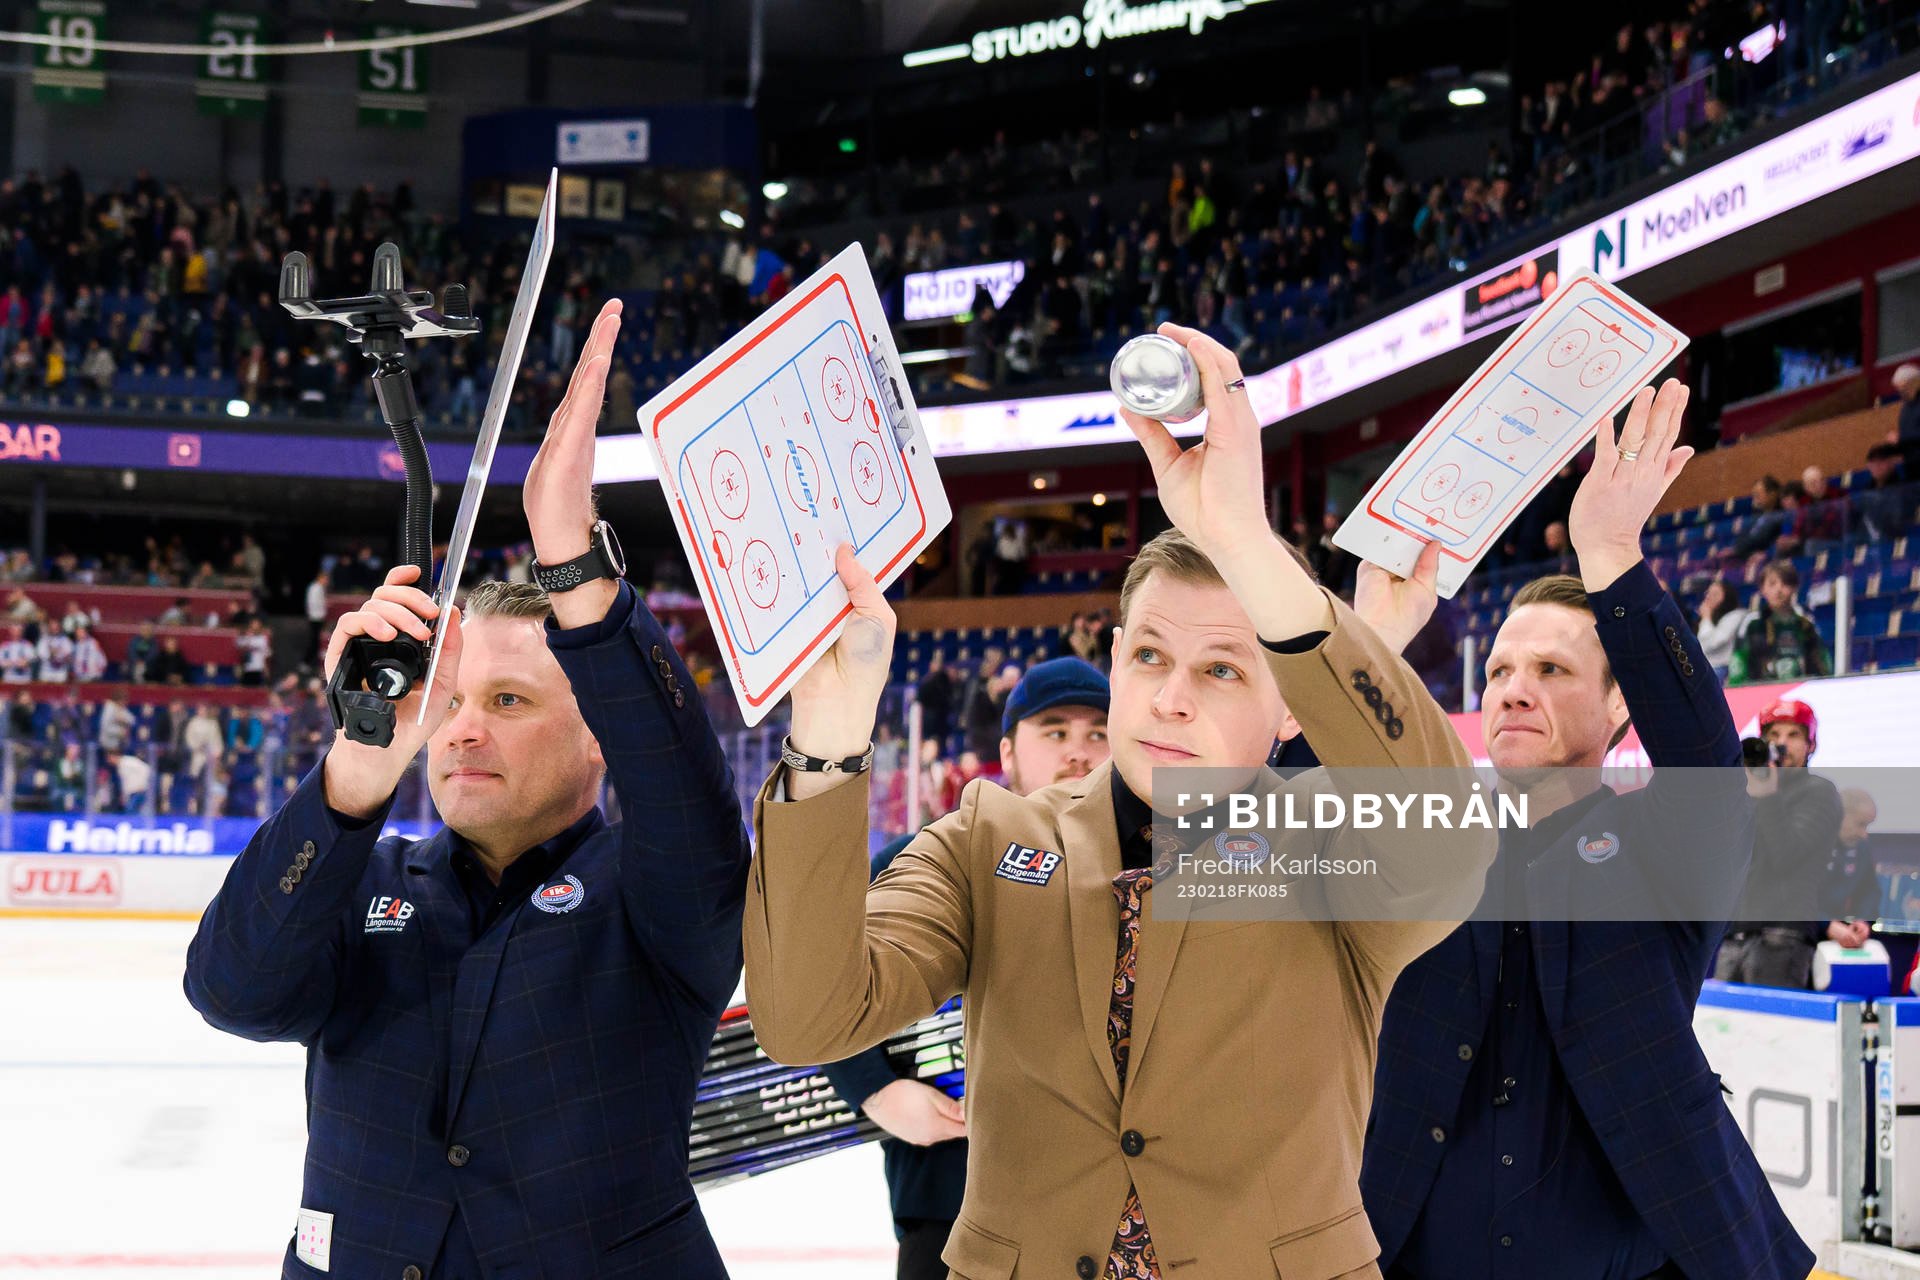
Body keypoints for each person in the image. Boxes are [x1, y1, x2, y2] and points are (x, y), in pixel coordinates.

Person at [743, 324, 1493, 1276]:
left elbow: (1444, 844)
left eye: (1223, 669)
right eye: (1149, 655)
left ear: (1289, 710)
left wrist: (1245, 543)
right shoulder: (987, 835)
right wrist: (829, 736)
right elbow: (807, 1019)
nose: (1171, 696)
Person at [185, 302, 752, 1279]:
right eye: (449, 702)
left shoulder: (656, 896)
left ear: (599, 731)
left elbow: (685, 794)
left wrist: (575, 561)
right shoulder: (368, 880)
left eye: (508, 699)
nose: (462, 728)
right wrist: (356, 771)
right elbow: (232, 990)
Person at [1364, 380, 1812, 1280]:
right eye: (1499, 671)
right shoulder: (1418, 839)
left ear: (1618, 707)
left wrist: (1609, 555)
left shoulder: (1667, 848)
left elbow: (1705, 760)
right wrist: (1364, 645)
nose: (1513, 689)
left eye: (1552, 670)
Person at [821, 656, 1112, 1280]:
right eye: (1055, 731)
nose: (1079, 751)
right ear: (1007, 753)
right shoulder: (927, 860)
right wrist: (876, 1089)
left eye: (1099, 733)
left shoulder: (1161, 872)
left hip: (1115, 1207)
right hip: (948, 1196)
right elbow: (831, 980)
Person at [1715, 699, 1848, 989]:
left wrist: (1767, 796)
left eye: (1793, 734)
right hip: (1734, 935)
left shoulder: (1820, 792)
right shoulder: (1749, 791)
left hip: (1783, 936)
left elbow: (1787, 856)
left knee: (1768, 1020)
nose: (1782, 743)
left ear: (1811, 744)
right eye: (1773, 735)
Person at [1729, 561, 1829, 684]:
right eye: (1772, 584)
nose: (1779, 590)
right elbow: (1738, 661)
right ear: (1762, 589)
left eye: (1785, 583)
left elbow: (1821, 660)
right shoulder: (1752, 623)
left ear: (1795, 588)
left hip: (1799, 687)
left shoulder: (1806, 624)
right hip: (1759, 688)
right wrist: (1738, 688)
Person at [1691, 578, 1746, 679]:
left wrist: (1706, 617)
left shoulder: (1736, 615)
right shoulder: (1708, 618)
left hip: (1723, 668)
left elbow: (1712, 643)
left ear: (1727, 597)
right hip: (1705, 668)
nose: (1708, 597)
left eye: (1715, 594)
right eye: (1708, 593)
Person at [305, 569, 330, 663]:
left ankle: (312, 661)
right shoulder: (315, 588)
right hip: (316, 618)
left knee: (317, 641)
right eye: (326, 579)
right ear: (321, 578)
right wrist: (321, 614)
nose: (327, 581)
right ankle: (306, 661)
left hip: (318, 617)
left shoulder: (320, 588)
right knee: (314, 641)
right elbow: (313, 603)